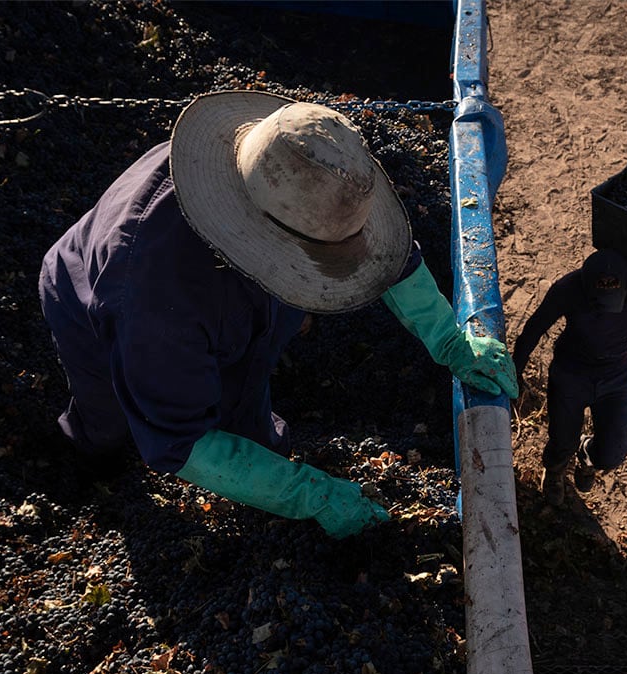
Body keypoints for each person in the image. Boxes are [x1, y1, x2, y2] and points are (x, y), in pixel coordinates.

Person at [39, 90, 518, 538]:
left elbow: (387, 261)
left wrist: (447, 338)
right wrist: (306, 495)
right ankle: (87, 459)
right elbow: (179, 439)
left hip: (225, 308)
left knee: (248, 390)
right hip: (90, 309)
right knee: (110, 419)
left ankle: (259, 451)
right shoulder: (154, 302)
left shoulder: (309, 178)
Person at [512, 249, 627, 505]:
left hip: (617, 378)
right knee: (561, 440)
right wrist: (514, 373)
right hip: (571, 374)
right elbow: (534, 328)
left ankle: (587, 455)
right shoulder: (567, 289)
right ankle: (555, 471)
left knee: (613, 452)